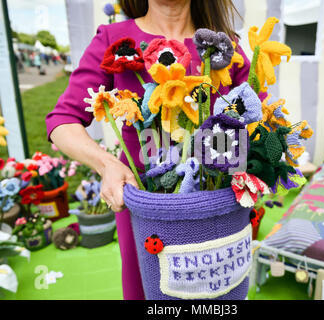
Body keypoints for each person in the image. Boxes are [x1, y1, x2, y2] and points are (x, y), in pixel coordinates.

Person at [46, 0, 262, 300]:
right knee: (147, 292)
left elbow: (260, 117)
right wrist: (106, 164)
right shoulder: (114, 40)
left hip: (218, 207)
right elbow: (63, 120)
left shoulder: (225, 46)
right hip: (145, 212)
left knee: (220, 293)